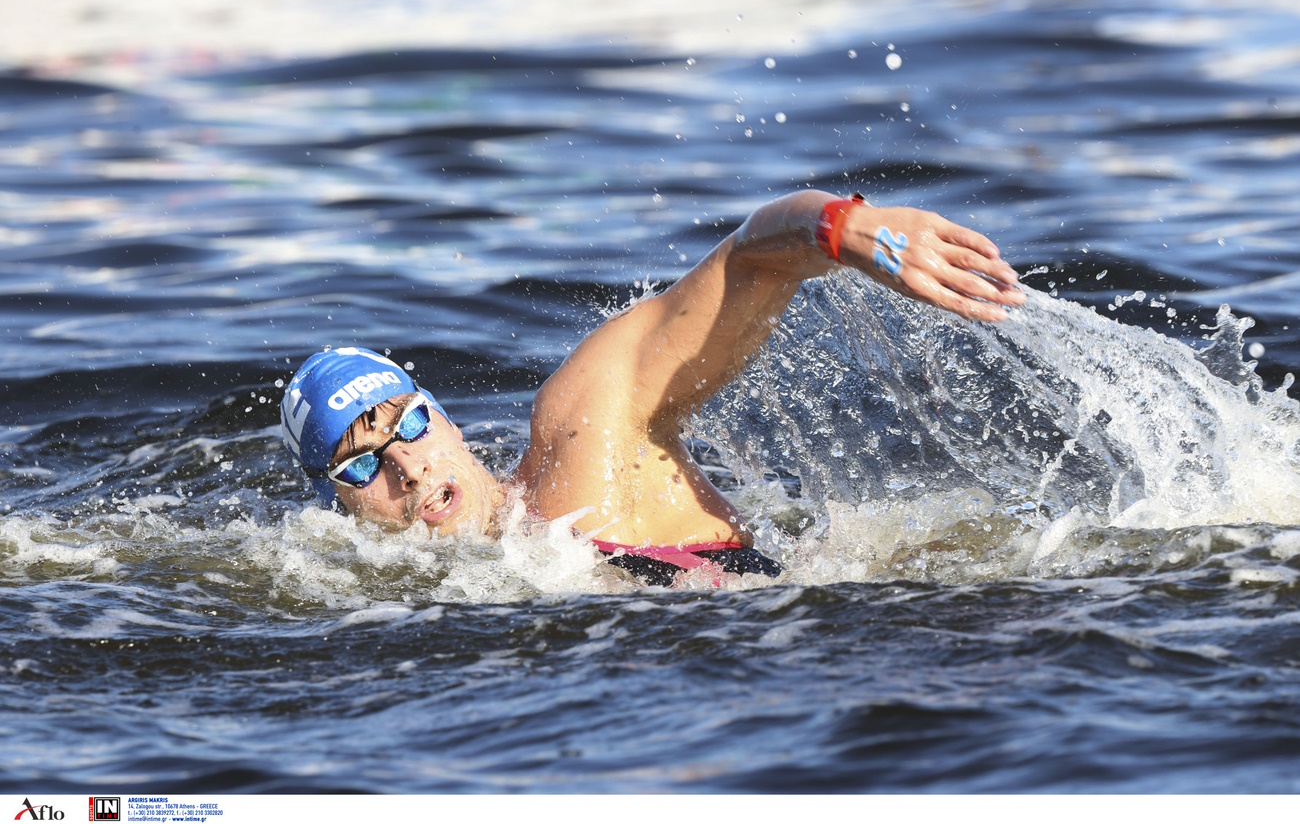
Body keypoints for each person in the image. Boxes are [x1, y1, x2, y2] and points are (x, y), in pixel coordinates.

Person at [279, 191, 1025, 585]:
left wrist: (843, 229)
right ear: (335, 509)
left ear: (447, 423)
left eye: (407, 426)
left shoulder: (579, 436)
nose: (406, 467)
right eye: (359, 465)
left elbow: (749, 259)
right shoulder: (388, 607)